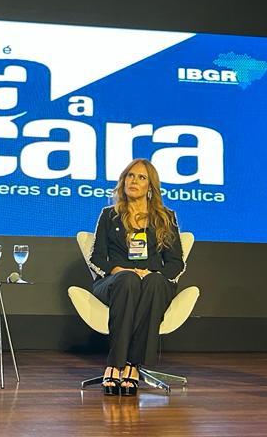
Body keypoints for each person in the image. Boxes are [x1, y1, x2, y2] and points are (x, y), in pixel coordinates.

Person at [87, 158, 185, 396]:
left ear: (150, 186)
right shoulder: (109, 215)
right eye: (130, 176)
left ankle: (132, 364)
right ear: (123, 181)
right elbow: (97, 257)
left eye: (142, 177)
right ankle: (115, 363)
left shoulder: (165, 217)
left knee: (152, 282)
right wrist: (118, 270)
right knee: (128, 280)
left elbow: (175, 263)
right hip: (115, 282)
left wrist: (153, 272)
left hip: (153, 282)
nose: (134, 181)